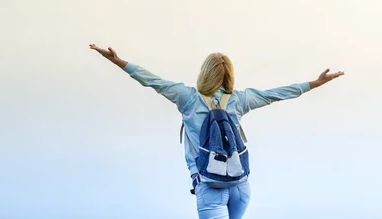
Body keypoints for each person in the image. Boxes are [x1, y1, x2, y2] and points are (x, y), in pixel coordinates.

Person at [89, 44, 344, 219]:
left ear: (204, 73)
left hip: (210, 186)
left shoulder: (186, 97)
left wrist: (118, 61)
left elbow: (151, 80)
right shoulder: (240, 99)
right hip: (240, 185)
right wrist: (316, 83)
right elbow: (276, 94)